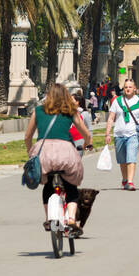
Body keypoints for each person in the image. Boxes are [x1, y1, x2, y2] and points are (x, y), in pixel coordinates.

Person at [24, 83, 92, 232]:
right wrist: (88, 143)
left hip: (43, 153)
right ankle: (72, 219)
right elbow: (85, 133)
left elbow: (28, 136)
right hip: (65, 152)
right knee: (71, 186)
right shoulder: (71, 111)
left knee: (48, 186)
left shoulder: (38, 111)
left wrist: (31, 153)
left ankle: (49, 218)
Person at [105, 78, 139, 191]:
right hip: (118, 134)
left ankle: (130, 182)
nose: (128, 89)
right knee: (122, 160)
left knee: (131, 158)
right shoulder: (117, 101)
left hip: (132, 134)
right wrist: (107, 134)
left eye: (130, 87)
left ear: (134, 89)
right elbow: (111, 118)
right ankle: (124, 179)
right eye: (126, 87)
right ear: (123, 89)